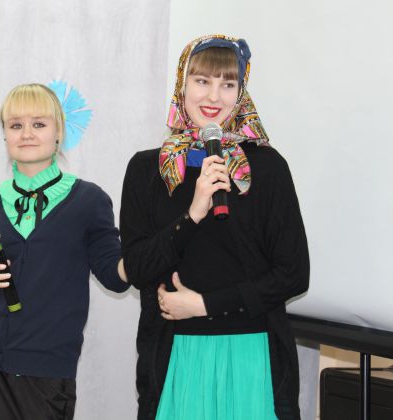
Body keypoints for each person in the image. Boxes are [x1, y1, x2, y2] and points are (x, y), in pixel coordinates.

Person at [119, 35, 309, 420]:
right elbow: (136, 269)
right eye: (202, 81)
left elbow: (293, 274)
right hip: (175, 357)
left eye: (228, 84)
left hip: (253, 355)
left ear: (241, 92)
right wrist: (192, 214)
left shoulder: (268, 168)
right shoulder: (146, 170)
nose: (214, 96)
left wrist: (205, 305)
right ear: (182, 84)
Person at [0, 83, 129, 420]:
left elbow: (116, 277)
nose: (26, 134)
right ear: (5, 134)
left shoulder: (88, 200)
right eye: (15, 125)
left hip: (44, 378)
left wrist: (151, 248)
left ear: (58, 132)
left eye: (38, 124)